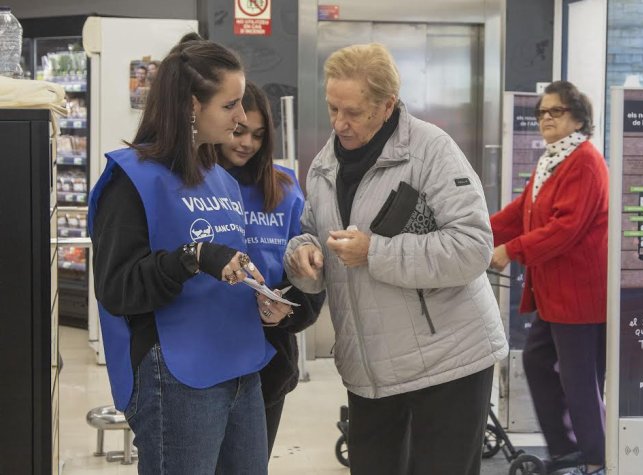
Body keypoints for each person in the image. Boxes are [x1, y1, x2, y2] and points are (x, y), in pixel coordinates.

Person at [283, 43, 508, 475]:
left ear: (387, 106)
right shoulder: (325, 164)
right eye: (332, 108)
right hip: (370, 369)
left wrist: (375, 252)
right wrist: (303, 256)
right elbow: (309, 231)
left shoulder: (432, 151)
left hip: (449, 365)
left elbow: (473, 247)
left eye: (352, 112)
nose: (338, 123)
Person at [88, 39, 277, 474]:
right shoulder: (132, 180)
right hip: (177, 377)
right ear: (193, 106)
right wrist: (192, 257)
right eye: (230, 105)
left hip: (241, 368)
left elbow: (230, 266)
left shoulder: (222, 181)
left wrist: (262, 297)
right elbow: (117, 289)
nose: (242, 118)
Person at [490, 80, 608, 475]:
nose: (545, 119)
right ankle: (566, 450)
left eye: (554, 112)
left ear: (578, 117)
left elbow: (565, 228)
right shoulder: (551, 161)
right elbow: (520, 213)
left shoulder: (586, 161)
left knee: (579, 381)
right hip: (553, 294)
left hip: (579, 295)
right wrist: (473, 231)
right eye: (541, 112)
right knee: (538, 362)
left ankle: (595, 459)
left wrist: (511, 251)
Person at [215, 80, 325, 456]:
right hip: (202, 354)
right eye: (238, 131)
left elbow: (309, 277)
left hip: (267, 361)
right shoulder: (192, 186)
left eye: (258, 135)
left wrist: (285, 312)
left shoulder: (284, 189)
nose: (247, 143)